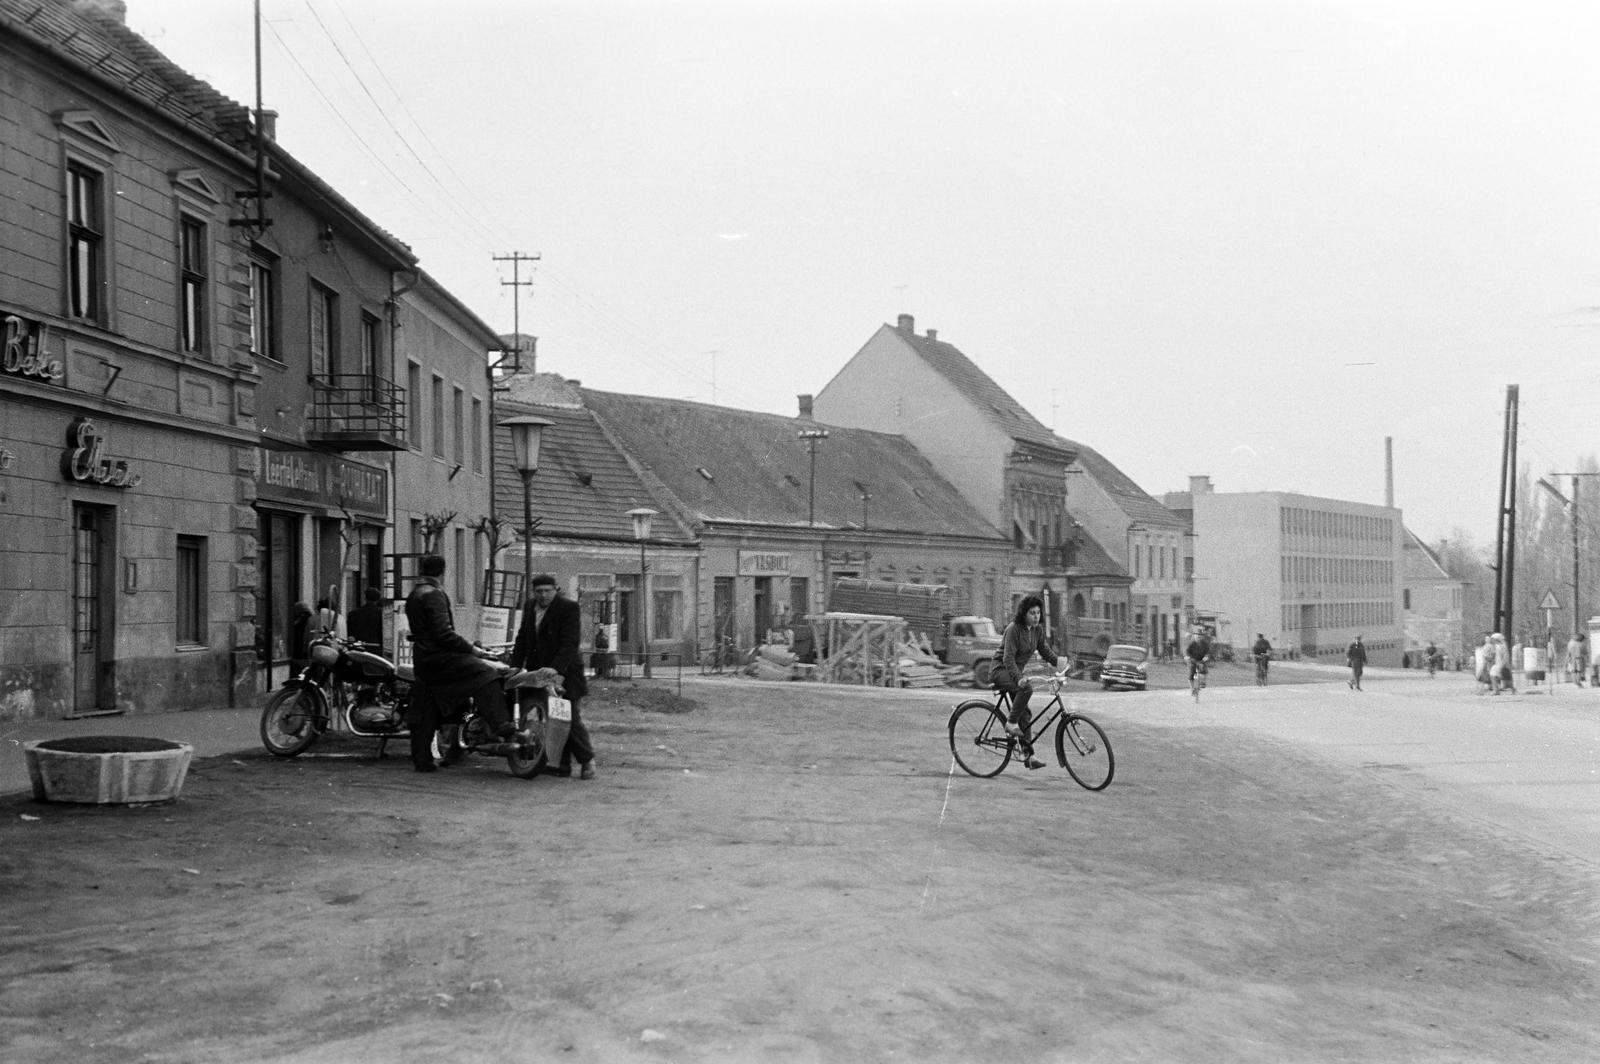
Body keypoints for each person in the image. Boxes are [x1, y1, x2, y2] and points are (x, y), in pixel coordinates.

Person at [405, 554, 518, 773]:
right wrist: (473, 649)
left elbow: (424, 631)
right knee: (485, 674)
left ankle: (423, 760)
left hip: (423, 659)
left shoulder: (414, 593)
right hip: (441, 657)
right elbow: (443, 634)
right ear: (442, 571)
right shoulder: (434, 594)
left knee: (426, 707)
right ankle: (501, 724)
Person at [509, 573, 595, 779]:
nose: (543, 595)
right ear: (533, 592)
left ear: (555, 589)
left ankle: (587, 761)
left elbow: (570, 642)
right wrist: (515, 665)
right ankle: (561, 765)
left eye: (547, 591)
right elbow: (522, 638)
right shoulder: (530, 607)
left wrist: (556, 668)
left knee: (569, 718)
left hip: (565, 672)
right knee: (551, 718)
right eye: (538, 591)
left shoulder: (568, 608)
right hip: (539, 674)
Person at [992, 595, 1058, 770]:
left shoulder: (1037, 630)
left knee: (1026, 715)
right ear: (1024, 614)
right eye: (1032, 613)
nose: (1036, 616)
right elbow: (1007, 659)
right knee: (1027, 689)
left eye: (1038, 613)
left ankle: (1029, 756)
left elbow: (1044, 649)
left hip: (1014, 674)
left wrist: (1059, 662)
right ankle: (1010, 723)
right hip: (1001, 670)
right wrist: (1019, 679)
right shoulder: (1013, 629)